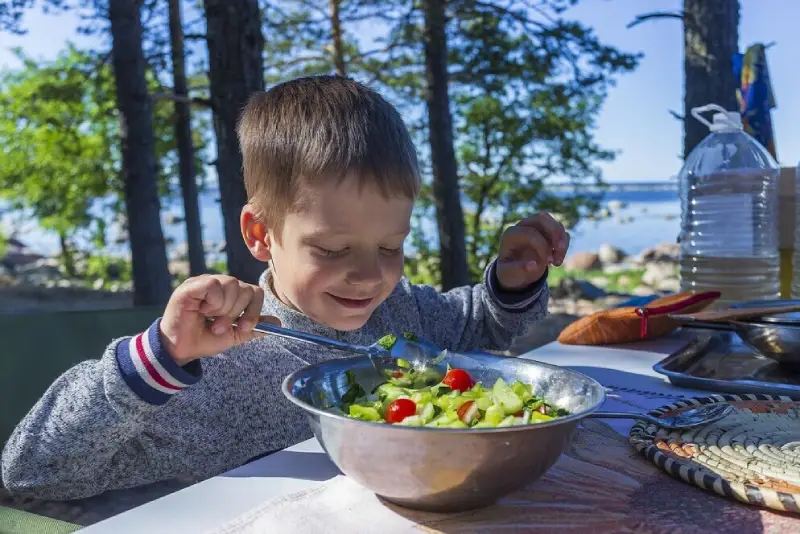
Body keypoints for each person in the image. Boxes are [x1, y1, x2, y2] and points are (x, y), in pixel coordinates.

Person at [1, 75, 569, 500]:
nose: (371, 275)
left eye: (390, 246)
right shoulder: (213, 366)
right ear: (260, 234)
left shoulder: (402, 316)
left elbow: (483, 328)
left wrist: (511, 284)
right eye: (331, 249)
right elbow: (32, 470)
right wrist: (161, 358)